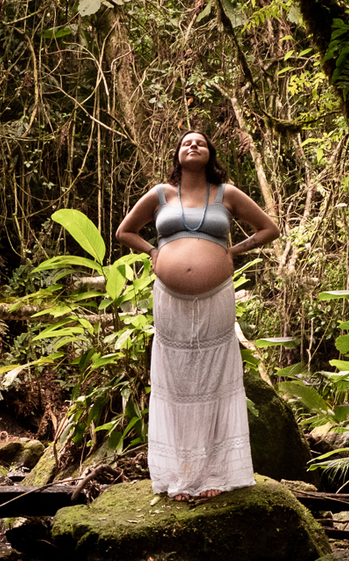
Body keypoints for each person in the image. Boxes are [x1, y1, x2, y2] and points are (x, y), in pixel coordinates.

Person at [116, 130, 279, 501]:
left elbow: (269, 229)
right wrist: (153, 252)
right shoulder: (161, 194)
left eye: (200, 143)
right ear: (177, 154)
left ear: (210, 153)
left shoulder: (227, 194)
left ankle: (214, 474)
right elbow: (125, 231)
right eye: (186, 142)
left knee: (213, 377)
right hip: (169, 298)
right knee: (176, 380)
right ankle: (180, 475)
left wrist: (233, 251)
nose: (193, 145)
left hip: (216, 295)